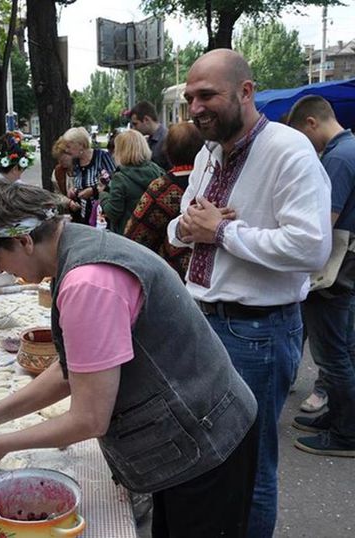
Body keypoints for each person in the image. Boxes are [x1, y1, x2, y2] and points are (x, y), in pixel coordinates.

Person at [0, 180, 258, 538]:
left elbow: (89, 419)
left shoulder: (87, 282)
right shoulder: (75, 244)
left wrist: (3, 444)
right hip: (196, 428)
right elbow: (74, 369)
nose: (0, 269)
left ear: (24, 241)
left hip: (205, 442)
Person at [167, 49, 332, 538]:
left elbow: (310, 248)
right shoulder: (207, 153)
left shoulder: (288, 150)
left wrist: (223, 233)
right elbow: (180, 228)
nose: (195, 107)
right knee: (208, 455)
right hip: (201, 320)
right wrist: (193, 226)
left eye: (207, 95)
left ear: (245, 91)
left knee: (252, 468)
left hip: (256, 333)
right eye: (190, 97)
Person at [287, 95, 355, 457]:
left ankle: (346, 432)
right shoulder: (351, 148)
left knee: (332, 355)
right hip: (347, 271)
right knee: (343, 350)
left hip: (333, 276)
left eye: (302, 135)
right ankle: (339, 418)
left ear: (312, 123)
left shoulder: (338, 159)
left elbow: (319, 227)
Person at [124, 122, 204, 280]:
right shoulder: (212, 181)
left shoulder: (161, 187)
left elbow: (134, 234)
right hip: (209, 274)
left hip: (171, 275)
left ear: (168, 152)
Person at [98, 130, 164, 234]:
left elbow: (113, 212)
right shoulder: (157, 170)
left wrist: (102, 195)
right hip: (153, 234)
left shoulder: (120, 178)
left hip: (128, 235)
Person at [61, 126, 116, 226]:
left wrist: (93, 191)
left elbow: (114, 183)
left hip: (101, 218)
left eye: (69, 146)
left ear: (81, 145)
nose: (66, 150)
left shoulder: (101, 157)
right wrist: (73, 190)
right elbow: (79, 183)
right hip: (83, 217)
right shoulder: (76, 162)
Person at [129, 101, 170, 170]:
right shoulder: (149, 140)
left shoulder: (167, 140)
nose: (133, 129)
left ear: (146, 120)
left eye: (135, 124)